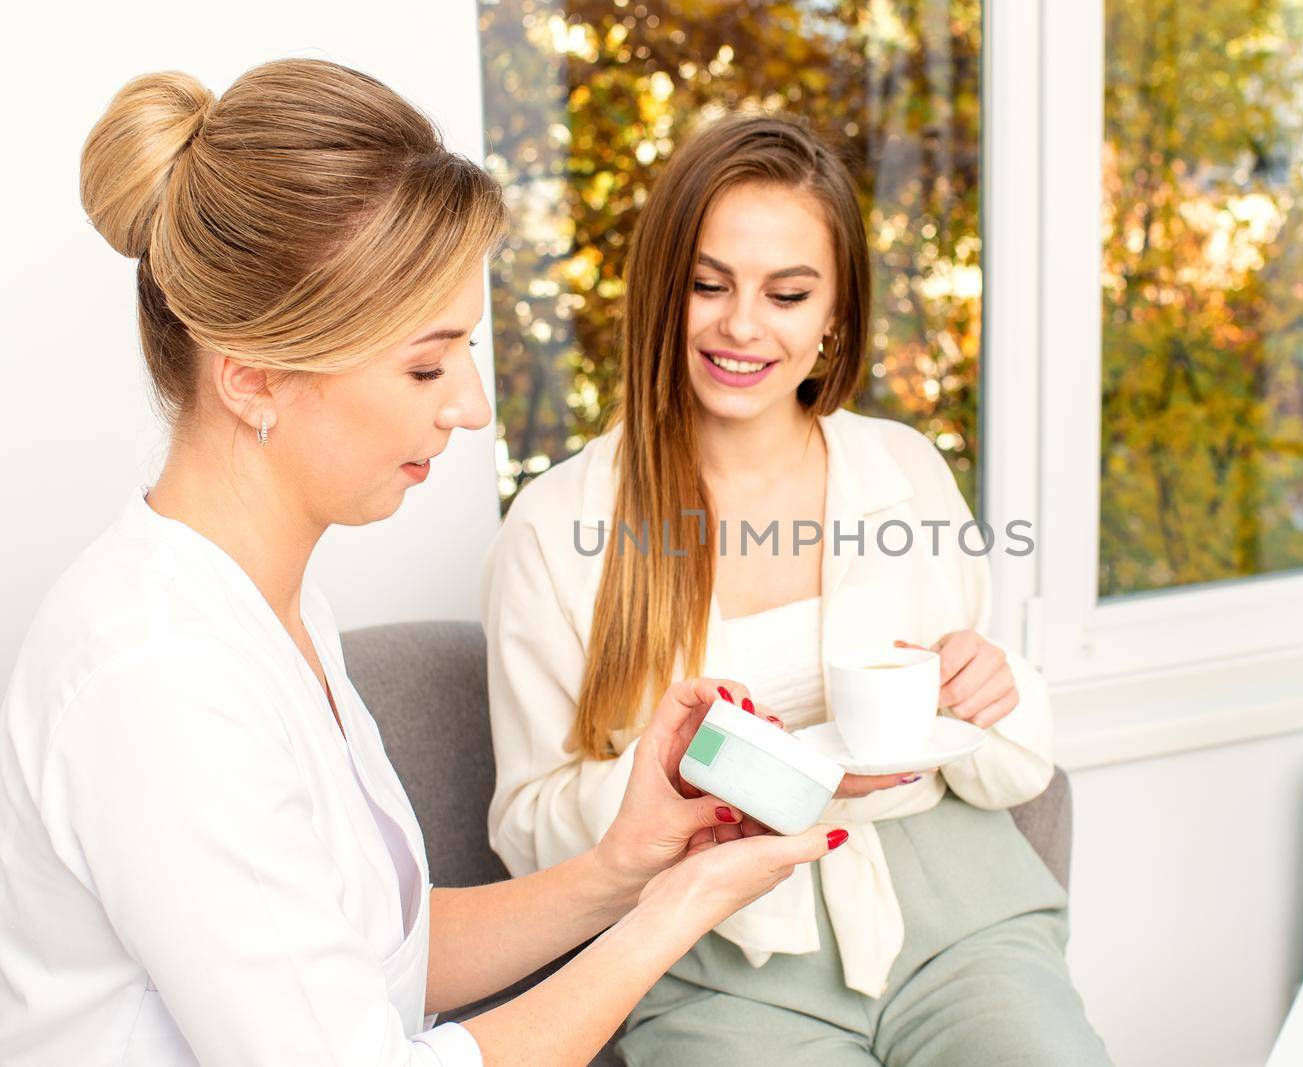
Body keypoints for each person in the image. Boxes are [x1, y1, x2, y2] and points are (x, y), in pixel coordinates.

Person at [0, 61, 845, 1067]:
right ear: (255, 374)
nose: (470, 405)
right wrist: (676, 913)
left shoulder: (266, 602)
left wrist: (625, 868)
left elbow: (373, 959)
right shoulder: (154, 680)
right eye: (425, 361)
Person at [482, 112, 1112, 1064]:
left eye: (787, 293)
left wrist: (997, 689)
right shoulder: (557, 525)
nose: (742, 324)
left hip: (961, 915)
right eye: (708, 284)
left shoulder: (904, 469)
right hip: (715, 955)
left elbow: (1009, 766)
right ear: (663, 291)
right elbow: (528, 836)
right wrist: (716, 776)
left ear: (835, 316)